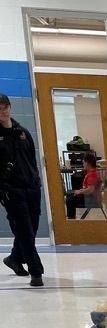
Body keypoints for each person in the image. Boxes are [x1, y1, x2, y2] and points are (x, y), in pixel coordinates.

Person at [0, 93, 44, 287]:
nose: (4, 111)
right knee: (25, 231)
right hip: (12, 191)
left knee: (31, 229)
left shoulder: (23, 132)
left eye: (6, 106)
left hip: (32, 189)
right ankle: (36, 272)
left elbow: (31, 161)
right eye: (0, 108)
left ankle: (14, 258)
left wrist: (36, 182)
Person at [66, 151, 101, 219]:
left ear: (87, 163)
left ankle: (71, 219)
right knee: (69, 195)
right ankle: (71, 217)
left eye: (83, 163)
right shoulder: (93, 172)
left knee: (70, 200)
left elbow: (90, 189)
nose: (83, 164)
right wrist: (79, 191)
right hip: (89, 196)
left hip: (91, 199)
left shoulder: (92, 174)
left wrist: (80, 192)